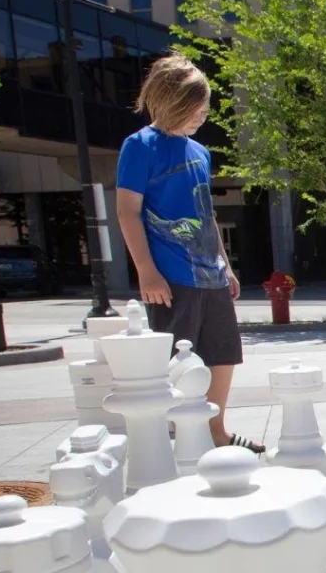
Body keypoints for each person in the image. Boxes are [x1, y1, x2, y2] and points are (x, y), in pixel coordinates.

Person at [115, 53, 265, 453]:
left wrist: (226, 266)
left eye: (205, 106)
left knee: (222, 353)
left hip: (210, 273)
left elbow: (206, 213)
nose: (202, 114)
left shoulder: (199, 152)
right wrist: (146, 270)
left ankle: (217, 432)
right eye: (195, 106)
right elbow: (128, 212)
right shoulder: (139, 147)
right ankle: (181, 438)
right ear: (168, 100)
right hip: (171, 275)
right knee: (177, 359)